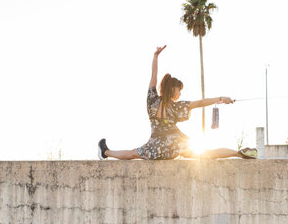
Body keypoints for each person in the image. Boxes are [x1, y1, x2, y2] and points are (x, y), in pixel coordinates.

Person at [98, 45, 258, 160]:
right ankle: (239, 153)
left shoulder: (153, 100)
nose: (180, 93)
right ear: (172, 88)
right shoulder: (170, 104)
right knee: (207, 153)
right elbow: (200, 102)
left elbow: (154, 77)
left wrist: (155, 57)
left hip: (159, 146)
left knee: (133, 153)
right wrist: (221, 98)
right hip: (172, 144)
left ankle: (106, 152)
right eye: (178, 90)